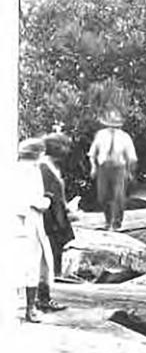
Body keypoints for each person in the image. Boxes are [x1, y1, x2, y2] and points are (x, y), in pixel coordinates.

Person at [15, 139, 53, 322]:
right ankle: (30, 309)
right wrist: (46, 202)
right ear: (37, 154)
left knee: (19, 265)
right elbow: (34, 200)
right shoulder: (32, 171)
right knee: (31, 266)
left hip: (17, 222)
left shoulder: (12, 169)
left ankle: (23, 307)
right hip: (29, 221)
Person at [37, 133, 74, 311]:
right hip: (48, 220)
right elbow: (48, 195)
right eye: (65, 146)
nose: (68, 150)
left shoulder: (50, 166)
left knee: (49, 259)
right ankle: (42, 298)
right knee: (46, 258)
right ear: (57, 147)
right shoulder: (44, 167)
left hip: (55, 217)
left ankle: (44, 296)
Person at [88, 109, 137, 230]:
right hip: (103, 168)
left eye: (115, 125)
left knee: (118, 196)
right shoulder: (100, 135)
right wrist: (93, 167)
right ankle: (107, 220)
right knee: (103, 196)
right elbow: (92, 153)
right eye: (110, 125)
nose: (112, 128)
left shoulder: (125, 137)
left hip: (118, 168)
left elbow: (131, 157)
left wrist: (130, 171)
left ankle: (117, 223)